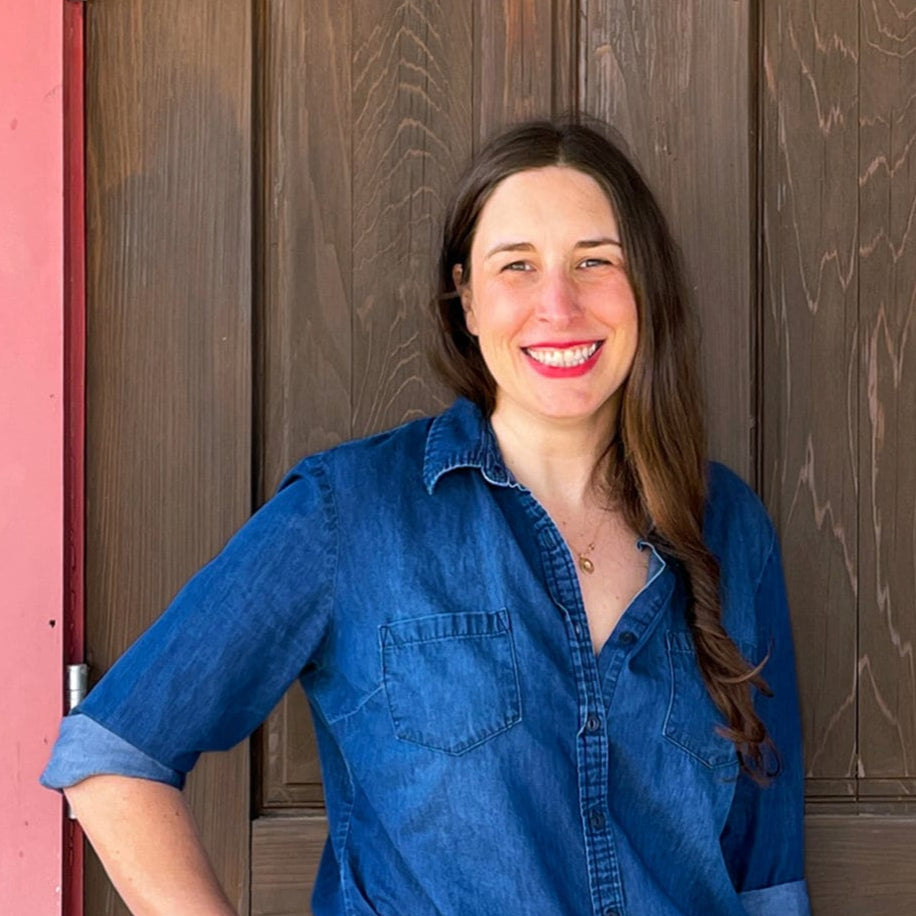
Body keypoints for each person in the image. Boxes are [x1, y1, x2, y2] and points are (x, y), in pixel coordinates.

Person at [42, 119, 811, 916]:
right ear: (468, 301)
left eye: (595, 262)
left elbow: (767, 874)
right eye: (517, 266)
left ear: (646, 288)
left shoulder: (728, 528)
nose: (559, 303)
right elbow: (114, 755)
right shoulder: (352, 512)